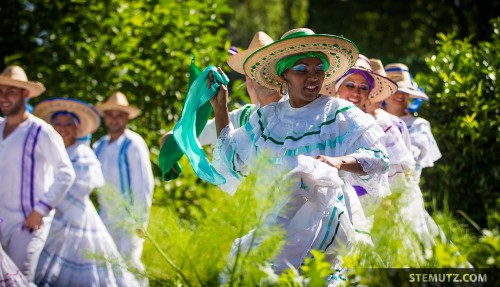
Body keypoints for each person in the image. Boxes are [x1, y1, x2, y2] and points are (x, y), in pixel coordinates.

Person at [206, 28, 389, 275]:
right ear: (285, 75)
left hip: (325, 235)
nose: (312, 76)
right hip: (276, 231)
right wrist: (220, 108)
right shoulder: (267, 119)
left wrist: (339, 161)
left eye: (318, 69)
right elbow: (233, 160)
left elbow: (379, 159)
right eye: (302, 70)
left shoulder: (338, 113)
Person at [33, 98, 140, 286]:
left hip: (75, 220)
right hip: (50, 218)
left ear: (77, 128)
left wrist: (139, 218)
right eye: (57, 123)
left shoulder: (83, 153)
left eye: (68, 124)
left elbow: (80, 189)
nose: (62, 128)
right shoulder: (50, 150)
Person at [159, 32, 282, 180]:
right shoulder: (247, 116)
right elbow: (200, 131)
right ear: (248, 79)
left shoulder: (297, 111)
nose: (264, 76)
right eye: (257, 69)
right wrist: (172, 141)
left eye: (269, 68)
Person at [0, 65, 75, 283]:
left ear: (25, 94)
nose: (4, 97)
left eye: (11, 91)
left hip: (27, 223)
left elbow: (66, 173)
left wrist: (40, 210)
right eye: (1, 91)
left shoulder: (41, 131)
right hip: (1, 216)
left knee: (20, 279)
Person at [93, 91, 154, 285]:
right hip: (106, 216)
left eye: (120, 115)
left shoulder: (133, 143)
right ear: (105, 117)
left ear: (126, 117)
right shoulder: (99, 145)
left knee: (130, 263)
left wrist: (141, 220)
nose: (114, 119)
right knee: (107, 263)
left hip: (129, 218)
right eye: (110, 114)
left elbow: (143, 184)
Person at [383, 63, 442, 183]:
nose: (400, 95)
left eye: (405, 91)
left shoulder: (419, 126)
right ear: (384, 93)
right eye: (395, 90)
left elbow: (411, 159)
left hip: (404, 191)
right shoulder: (372, 120)